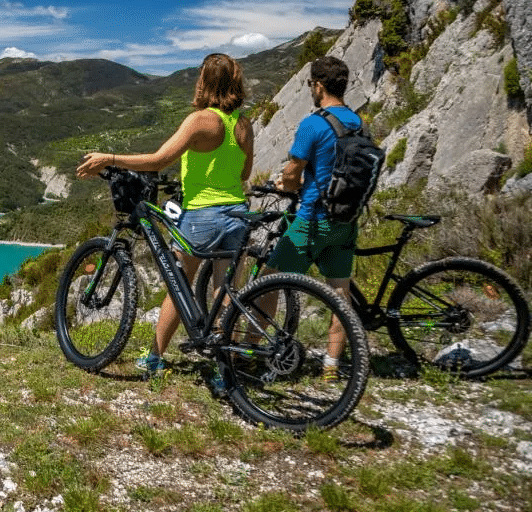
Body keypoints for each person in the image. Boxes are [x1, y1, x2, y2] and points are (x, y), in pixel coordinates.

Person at [76, 53, 254, 379]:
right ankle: (224, 368)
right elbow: (245, 172)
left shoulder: (202, 120)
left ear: (204, 81)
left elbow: (158, 160)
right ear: (235, 82)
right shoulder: (242, 124)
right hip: (238, 214)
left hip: (203, 215)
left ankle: (155, 358)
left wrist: (110, 158)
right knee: (224, 292)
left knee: (178, 284)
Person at [263, 55, 361, 381]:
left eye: (310, 85)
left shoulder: (313, 124)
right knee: (339, 294)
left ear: (318, 86)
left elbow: (292, 176)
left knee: (268, 281)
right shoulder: (358, 123)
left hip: (311, 219)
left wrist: (282, 183)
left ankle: (251, 350)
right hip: (344, 221)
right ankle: (331, 367)